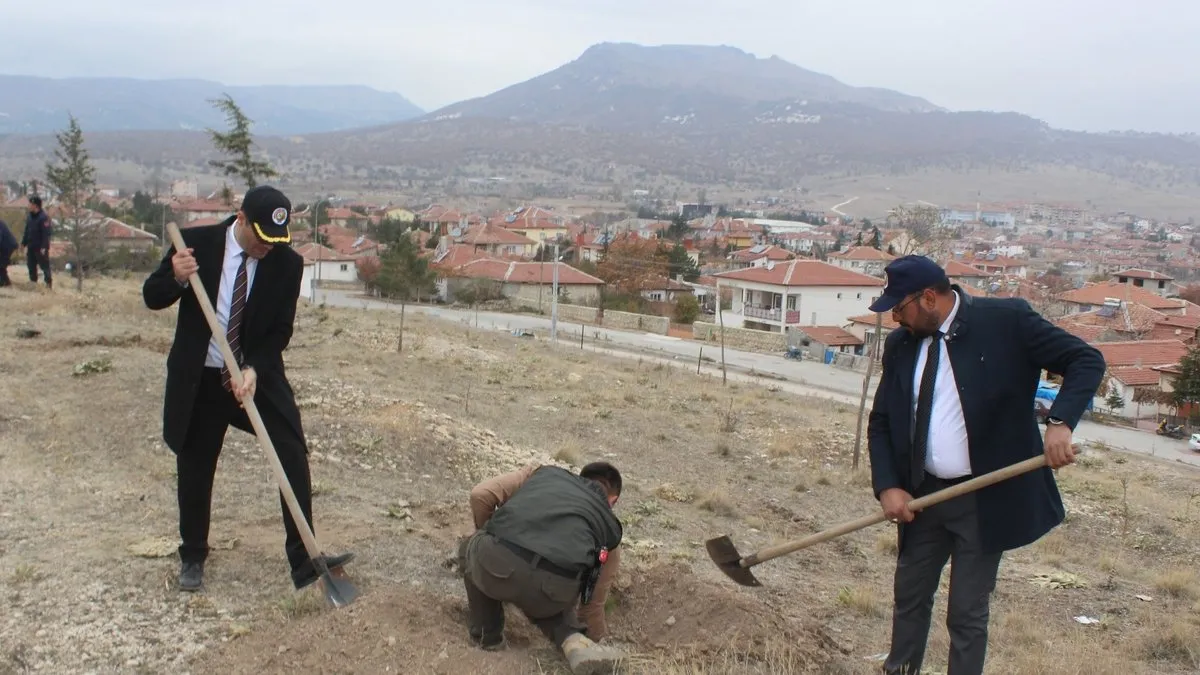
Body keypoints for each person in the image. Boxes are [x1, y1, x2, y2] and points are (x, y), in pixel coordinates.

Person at [866, 255, 1105, 675]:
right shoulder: (901, 345)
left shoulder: (1007, 322)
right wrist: (888, 485)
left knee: (966, 613)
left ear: (927, 298)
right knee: (909, 597)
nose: (895, 320)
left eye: (898, 309)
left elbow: (1085, 360)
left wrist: (1060, 422)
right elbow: (883, 420)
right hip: (924, 496)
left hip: (985, 498)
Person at [142, 185, 353, 593]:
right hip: (202, 377)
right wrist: (176, 277)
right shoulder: (195, 245)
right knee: (196, 464)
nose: (267, 249)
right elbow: (151, 296)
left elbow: (280, 330)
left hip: (254, 376)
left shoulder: (287, 265)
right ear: (240, 219)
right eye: (261, 239)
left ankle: (304, 559)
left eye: (276, 241)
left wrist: (255, 368)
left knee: (290, 450)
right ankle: (193, 555)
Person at [462, 461, 627, 674]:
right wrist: (596, 640)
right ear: (613, 500)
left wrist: (491, 534)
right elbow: (591, 604)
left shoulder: (542, 474)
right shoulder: (609, 532)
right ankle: (574, 641)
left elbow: (480, 495)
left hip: (497, 565)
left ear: (579, 477)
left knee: (474, 546)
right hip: (551, 593)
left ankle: (488, 637)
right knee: (551, 592)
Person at [21, 196, 52, 288]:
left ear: (35, 205)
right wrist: (23, 243)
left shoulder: (43, 218)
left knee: (44, 266)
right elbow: (27, 231)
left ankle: (48, 284)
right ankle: (33, 283)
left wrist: (44, 247)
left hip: (40, 247)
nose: (28, 206)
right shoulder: (30, 216)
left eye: (30, 204)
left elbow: (46, 234)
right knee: (31, 266)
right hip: (31, 246)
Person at [0, 218, 17, 286]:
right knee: (2, 265)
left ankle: (4, 283)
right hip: (6, 246)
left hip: (8, 246)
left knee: (1, 265)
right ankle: (6, 282)